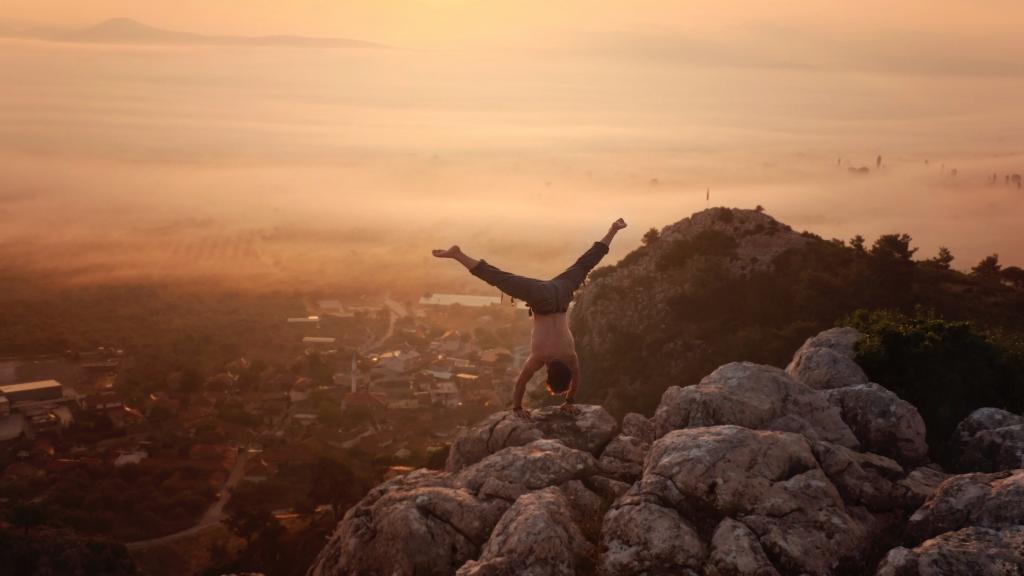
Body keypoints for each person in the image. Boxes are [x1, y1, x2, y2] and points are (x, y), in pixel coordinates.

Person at [432, 218, 627, 419]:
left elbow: (576, 378)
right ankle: (457, 254)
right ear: (548, 376)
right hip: (541, 299)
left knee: (585, 263)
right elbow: (521, 382)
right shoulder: (540, 357)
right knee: (500, 279)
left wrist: (569, 400)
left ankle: (613, 229)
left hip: (562, 293)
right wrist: (517, 408)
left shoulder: (571, 358)